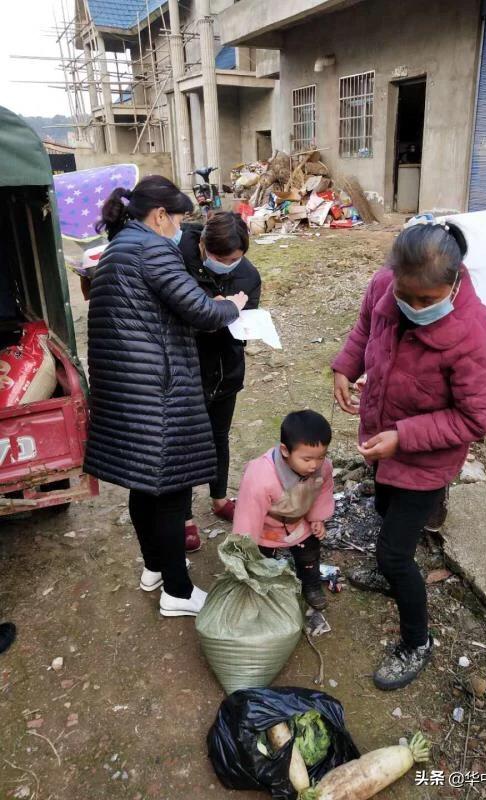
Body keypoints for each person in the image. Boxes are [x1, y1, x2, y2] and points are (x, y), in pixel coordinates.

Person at [332, 222, 486, 690]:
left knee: (394, 553)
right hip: (383, 442)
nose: (413, 306)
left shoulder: (474, 332)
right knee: (382, 505)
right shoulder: (386, 286)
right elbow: (366, 325)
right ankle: (389, 569)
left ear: (454, 281)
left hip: (426, 460)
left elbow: (478, 418)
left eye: (427, 300)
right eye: (407, 295)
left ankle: (416, 641)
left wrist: (403, 437)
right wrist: (345, 368)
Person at [85, 175, 248, 618]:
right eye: (177, 219)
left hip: (126, 391)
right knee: (173, 489)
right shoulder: (152, 247)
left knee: (145, 485)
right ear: (160, 215)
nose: (179, 228)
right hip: (156, 389)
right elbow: (199, 309)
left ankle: (154, 567)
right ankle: (177, 591)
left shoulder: (119, 247)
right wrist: (233, 304)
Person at [178, 212, 261, 550]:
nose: (229, 265)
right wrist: (212, 312)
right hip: (187, 370)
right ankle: (183, 516)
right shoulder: (179, 264)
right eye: (220, 259)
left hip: (226, 370)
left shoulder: (248, 274)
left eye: (235, 259)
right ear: (202, 246)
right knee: (184, 444)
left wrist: (232, 317)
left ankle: (219, 498)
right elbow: (176, 317)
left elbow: (248, 319)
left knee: (218, 436)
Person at [232, 410, 334, 610]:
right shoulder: (260, 476)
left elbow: (323, 491)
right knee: (261, 561)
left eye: (321, 456)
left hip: (300, 522)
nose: (314, 465)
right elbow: (248, 515)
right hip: (266, 527)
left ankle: (311, 586)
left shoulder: (323, 468)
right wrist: (244, 547)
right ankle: (260, 587)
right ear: (285, 451)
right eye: (307, 459)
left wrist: (317, 518)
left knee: (309, 556)